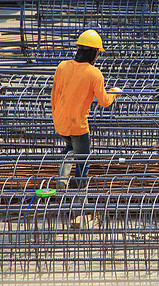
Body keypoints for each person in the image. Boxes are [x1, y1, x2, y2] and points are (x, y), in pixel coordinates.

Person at [51, 29, 122, 188]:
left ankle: (62, 179)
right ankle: (79, 194)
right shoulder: (94, 74)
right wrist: (114, 93)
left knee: (70, 147)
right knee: (83, 161)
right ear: (95, 53)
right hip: (78, 126)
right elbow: (104, 101)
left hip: (60, 123)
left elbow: (54, 96)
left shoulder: (62, 66)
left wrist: (57, 116)